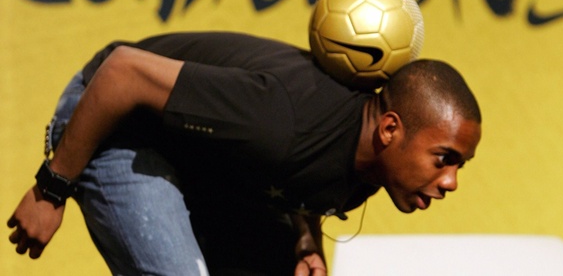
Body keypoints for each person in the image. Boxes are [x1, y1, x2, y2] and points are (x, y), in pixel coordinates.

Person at [7, 32, 482, 275]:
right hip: (117, 120)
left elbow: (304, 173)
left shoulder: (369, 164)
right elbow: (123, 72)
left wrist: (304, 241)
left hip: (202, 157)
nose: (451, 182)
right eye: (444, 158)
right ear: (390, 129)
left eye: (461, 165)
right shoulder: (276, 118)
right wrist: (52, 187)